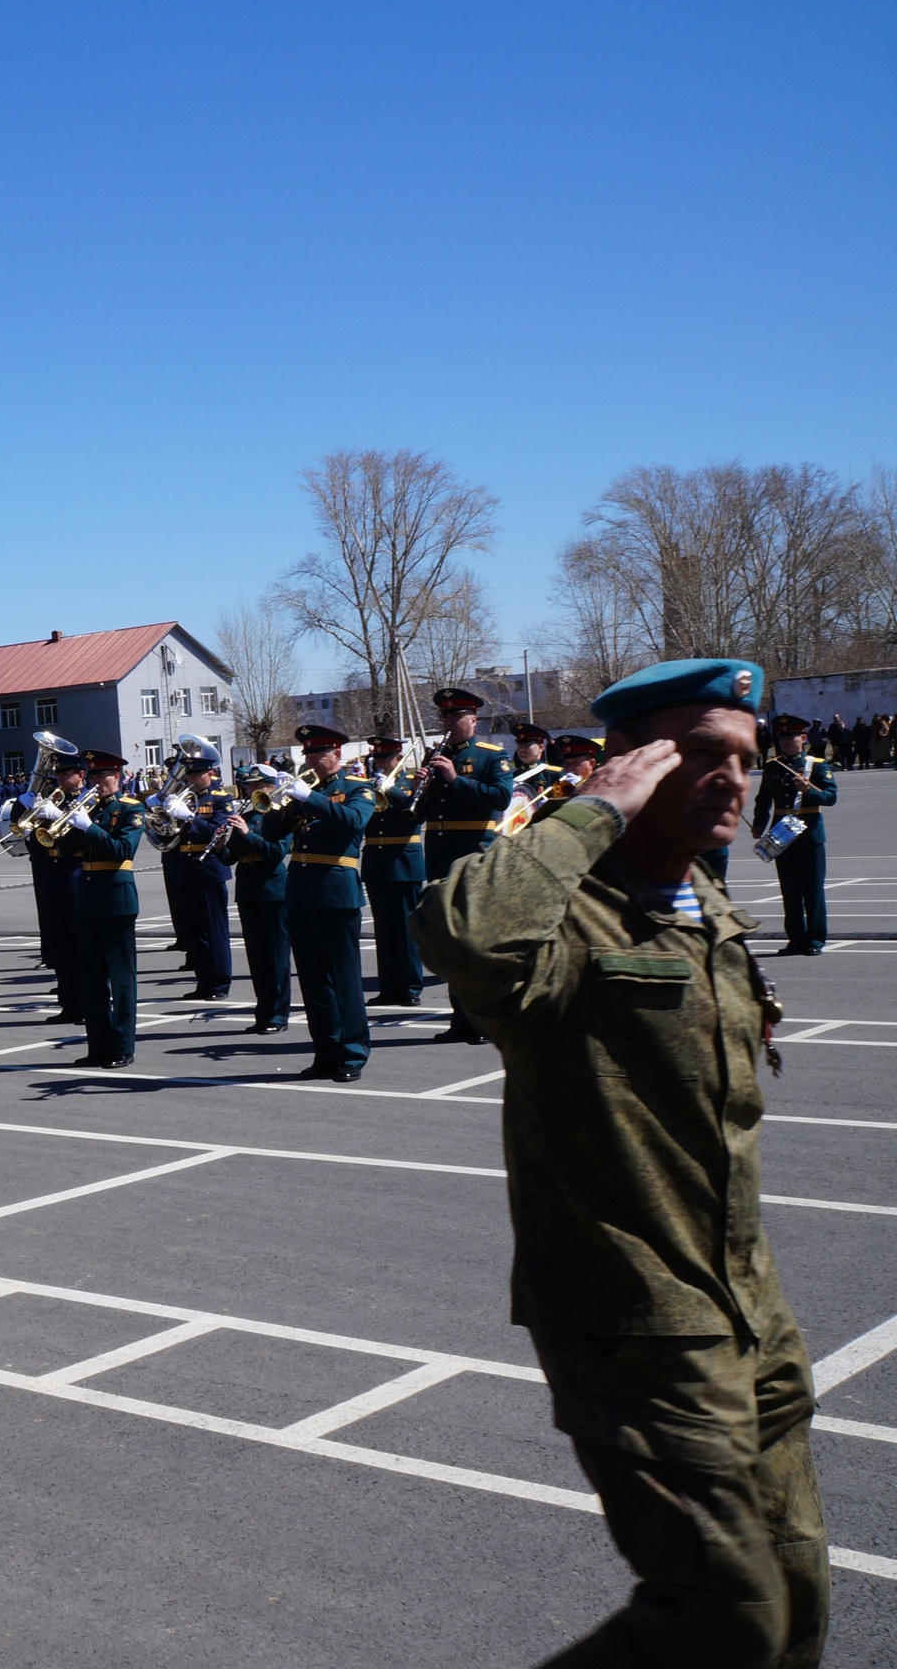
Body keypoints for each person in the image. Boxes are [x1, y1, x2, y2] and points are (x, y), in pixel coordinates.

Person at [415, 658, 826, 1669]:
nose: (734, 776)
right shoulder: (567, 915)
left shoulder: (707, 909)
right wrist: (591, 807)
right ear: (637, 763)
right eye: (700, 755)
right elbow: (465, 932)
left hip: (746, 1308)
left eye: (744, 756)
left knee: (797, 1595)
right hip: (634, 1316)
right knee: (721, 1612)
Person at [255, 725, 373, 1082]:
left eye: (318, 753)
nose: (311, 760)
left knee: (344, 979)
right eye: (307, 754)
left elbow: (353, 822)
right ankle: (326, 1050)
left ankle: (352, 1053)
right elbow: (272, 834)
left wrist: (312, 798)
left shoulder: (356, 789)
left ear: (338, 755)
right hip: (301, 894)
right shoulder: (303, 795)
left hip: (336, 895)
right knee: (313, 981)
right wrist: (277, 800)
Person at [417, 688, 515, 1044]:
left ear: (474, 720)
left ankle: (482, 1021)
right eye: (444, 717)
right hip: (440, 853)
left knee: (475, 941)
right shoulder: (436, 754)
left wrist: (456, 780)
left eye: (456, 716)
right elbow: (423, 812)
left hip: (473, 852)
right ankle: (460, 1019)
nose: (449, 723)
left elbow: (501, 798)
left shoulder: (491, 756)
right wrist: (420, 789)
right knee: (450, 942)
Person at [65, 750, 144, 1068]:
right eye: (93, 776)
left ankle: (123, 1047)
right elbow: (65, 850)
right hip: (88, 898)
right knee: (92, 979)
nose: (97, 782)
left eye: (103, 776)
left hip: (116, 899)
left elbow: (123, 849)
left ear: (118, 777)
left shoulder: (130, 808)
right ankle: (98, 1046)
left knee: (121, 979)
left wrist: (90, 828)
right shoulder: (90, 809)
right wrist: (67, 823)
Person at [749, 714, 836, 958]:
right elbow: (763, 800)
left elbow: (831, 797)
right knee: (789, 890)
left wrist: (810, 792)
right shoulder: (772, 766)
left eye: (792, 736)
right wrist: (758, 825)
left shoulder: (816, 765)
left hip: (809, 835)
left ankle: (816, 938)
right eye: (783, 737)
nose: (787, 741)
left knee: (813, 890)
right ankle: (796, 938)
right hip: (781, 835)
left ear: (804, 738)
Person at [220, 764, 292, 1033]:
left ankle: (278, 1014)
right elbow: (231, 856)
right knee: (257, 956)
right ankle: (263, 1012)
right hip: (249, 889)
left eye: (257, 786)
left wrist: (247, 834)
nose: (251, 790)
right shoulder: (247, 815)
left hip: (272, 890)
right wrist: (218, 847)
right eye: (249, 786)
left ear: (271, 788)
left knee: (276, 956)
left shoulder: (281, 815)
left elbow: (275, 853)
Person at [360, 735, 426, 1007]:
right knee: (384, 929)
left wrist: (390, 789)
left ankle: (410, 986)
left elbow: (417, 814)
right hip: (377, 860)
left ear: (399, 758)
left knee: (405, 928)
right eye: (377, 758)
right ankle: (389, 986)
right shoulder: (367, 784)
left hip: (403, 860)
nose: (381, 763)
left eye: (386, 758)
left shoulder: (413, 781)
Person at [167, 741, 234, 1002]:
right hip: (185, 868)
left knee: (214, 931)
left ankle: (220, 983)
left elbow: (217, 831)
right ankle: (203, 981)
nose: (193, 779)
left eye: (198, 774)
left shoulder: (221, 799)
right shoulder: (183, 797)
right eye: (190, 774)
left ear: (211, 773)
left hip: (210, 870)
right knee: (193, 932)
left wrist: (188, 817)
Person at [27, 750, 88, 1017]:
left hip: (75, 874)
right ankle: (69, 1002)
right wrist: (30, 825)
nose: (61, 779)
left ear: (81, 775)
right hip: (52, 874)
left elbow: (82, 838)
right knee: (60, 945)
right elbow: (39, 844)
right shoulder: (54, 799)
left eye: (66, 774)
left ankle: (86, 1002)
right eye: (59, 774)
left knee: (79, 945)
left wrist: (56, 816)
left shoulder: (87, 800)